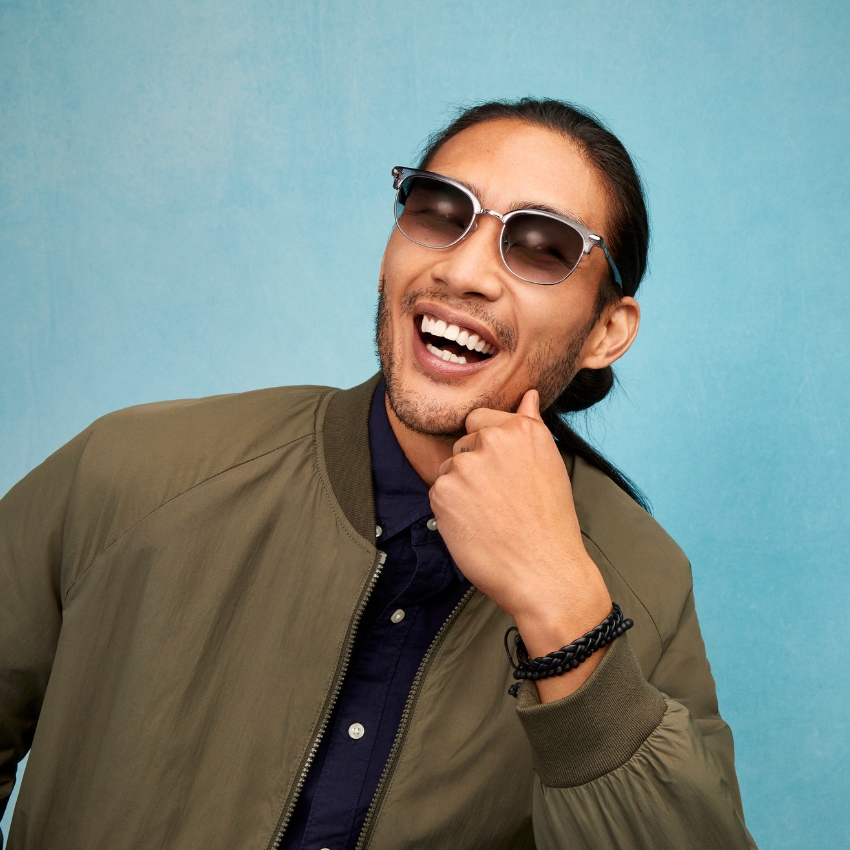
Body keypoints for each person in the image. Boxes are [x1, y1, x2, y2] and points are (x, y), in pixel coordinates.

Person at [0, 98, 757, 849]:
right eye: (439, 210)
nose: (463, 271)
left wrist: (564, 611)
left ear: (606, 330)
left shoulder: (645, 590)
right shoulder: (134, 474)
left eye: (541, 247)